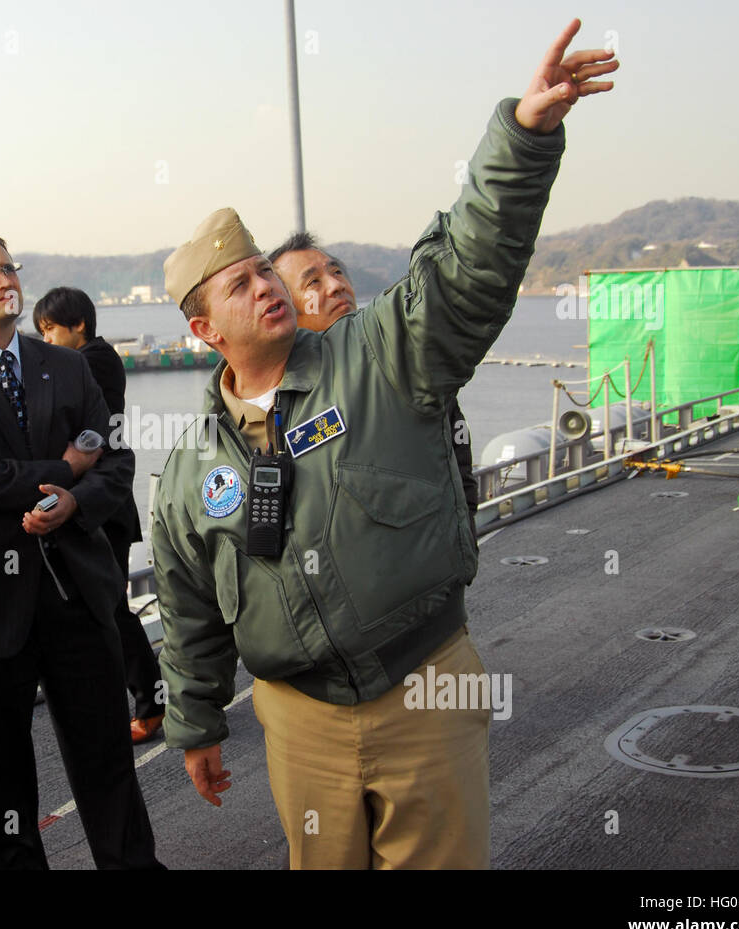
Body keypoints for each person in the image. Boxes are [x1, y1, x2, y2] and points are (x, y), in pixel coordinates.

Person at [151, 20, 616, 869]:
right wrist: (197, 722)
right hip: (295, 716)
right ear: (201, 329)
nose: (266, 287)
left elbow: (468, 266)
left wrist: (524, 134)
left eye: (265, 271)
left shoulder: (377, 355)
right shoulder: (188, 471)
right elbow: (188, 612)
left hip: (428, 681)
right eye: (241, 284)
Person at [0, 233, 162, 869]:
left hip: (78, 593)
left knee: (106, 762)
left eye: (9, 267)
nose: (4, 279)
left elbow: (117, 456)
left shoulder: (68, 367)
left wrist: (74, 499)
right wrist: (65, 468)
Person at [268, 233, 479, 533]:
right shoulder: (276, 394)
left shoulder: (403, 362)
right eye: (313, 282)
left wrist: (464, 538)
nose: (336, 285)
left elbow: (459, 466)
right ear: (285, 307)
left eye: (337, 271)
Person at [32, 286, 166, 743]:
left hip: (102, 505)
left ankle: (151, 704)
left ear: (79, 326)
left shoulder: (94, 360)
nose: (45, 340)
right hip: (99, 504)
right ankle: (145, 700)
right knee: (105, 608)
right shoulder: (88, 358)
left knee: (110, 609)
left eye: (49, 330)